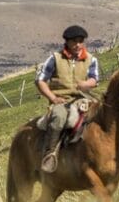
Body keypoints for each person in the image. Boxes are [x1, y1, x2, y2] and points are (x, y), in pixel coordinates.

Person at [35, 24, 100, 173]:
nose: (78, 45)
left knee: (106, 114)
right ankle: (50, 154)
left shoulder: (91, 59)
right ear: (67, 42)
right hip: (62, 100)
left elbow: (94, 79)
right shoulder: (55, 58)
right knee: (59, 117)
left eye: (80, 41)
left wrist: (86, 84)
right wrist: (53, 97)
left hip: (83, 98)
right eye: (74, 41)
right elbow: (40, 80)